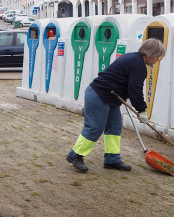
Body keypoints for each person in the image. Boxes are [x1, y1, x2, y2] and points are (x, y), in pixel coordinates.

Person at [66, 38, 166, 173]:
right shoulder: (139, 65)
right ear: (149, 54)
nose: (157, 60)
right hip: (98, 95)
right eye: (157, 57)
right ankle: (75, 155)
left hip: (111, 97)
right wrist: (142, 110)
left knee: (114, 127)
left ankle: (112, 160)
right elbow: (134, 89)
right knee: (95, 127)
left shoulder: (133, 58)